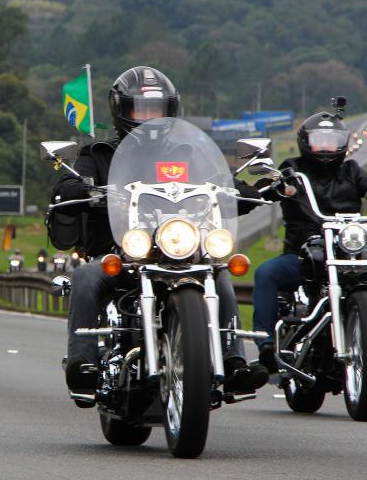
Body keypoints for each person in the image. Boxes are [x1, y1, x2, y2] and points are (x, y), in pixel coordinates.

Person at [53, 66, 268, 402]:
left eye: (155, 109)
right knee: (85, 276)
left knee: (219, 273)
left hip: (180, 248)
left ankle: (234, 362)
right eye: (140, 110)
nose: (148, 117)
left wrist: (244, 190)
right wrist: (77, 188)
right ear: (121, 110)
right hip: (123, 250)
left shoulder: (187, 153)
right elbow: (67, 185)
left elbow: (220, 181)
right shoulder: (98, 155)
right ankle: (83, 363)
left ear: (170, 110)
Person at [251, 105, 367, 372]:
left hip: (348, 252)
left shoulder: (351, 170)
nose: (326, 148)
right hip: (303, 255)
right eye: (319, 142)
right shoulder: (293, 169)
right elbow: (273, 186)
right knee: (266, 273)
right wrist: (275, 186)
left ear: (343, 144)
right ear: (305, 143)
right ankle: (266, 344)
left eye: (332, 142)